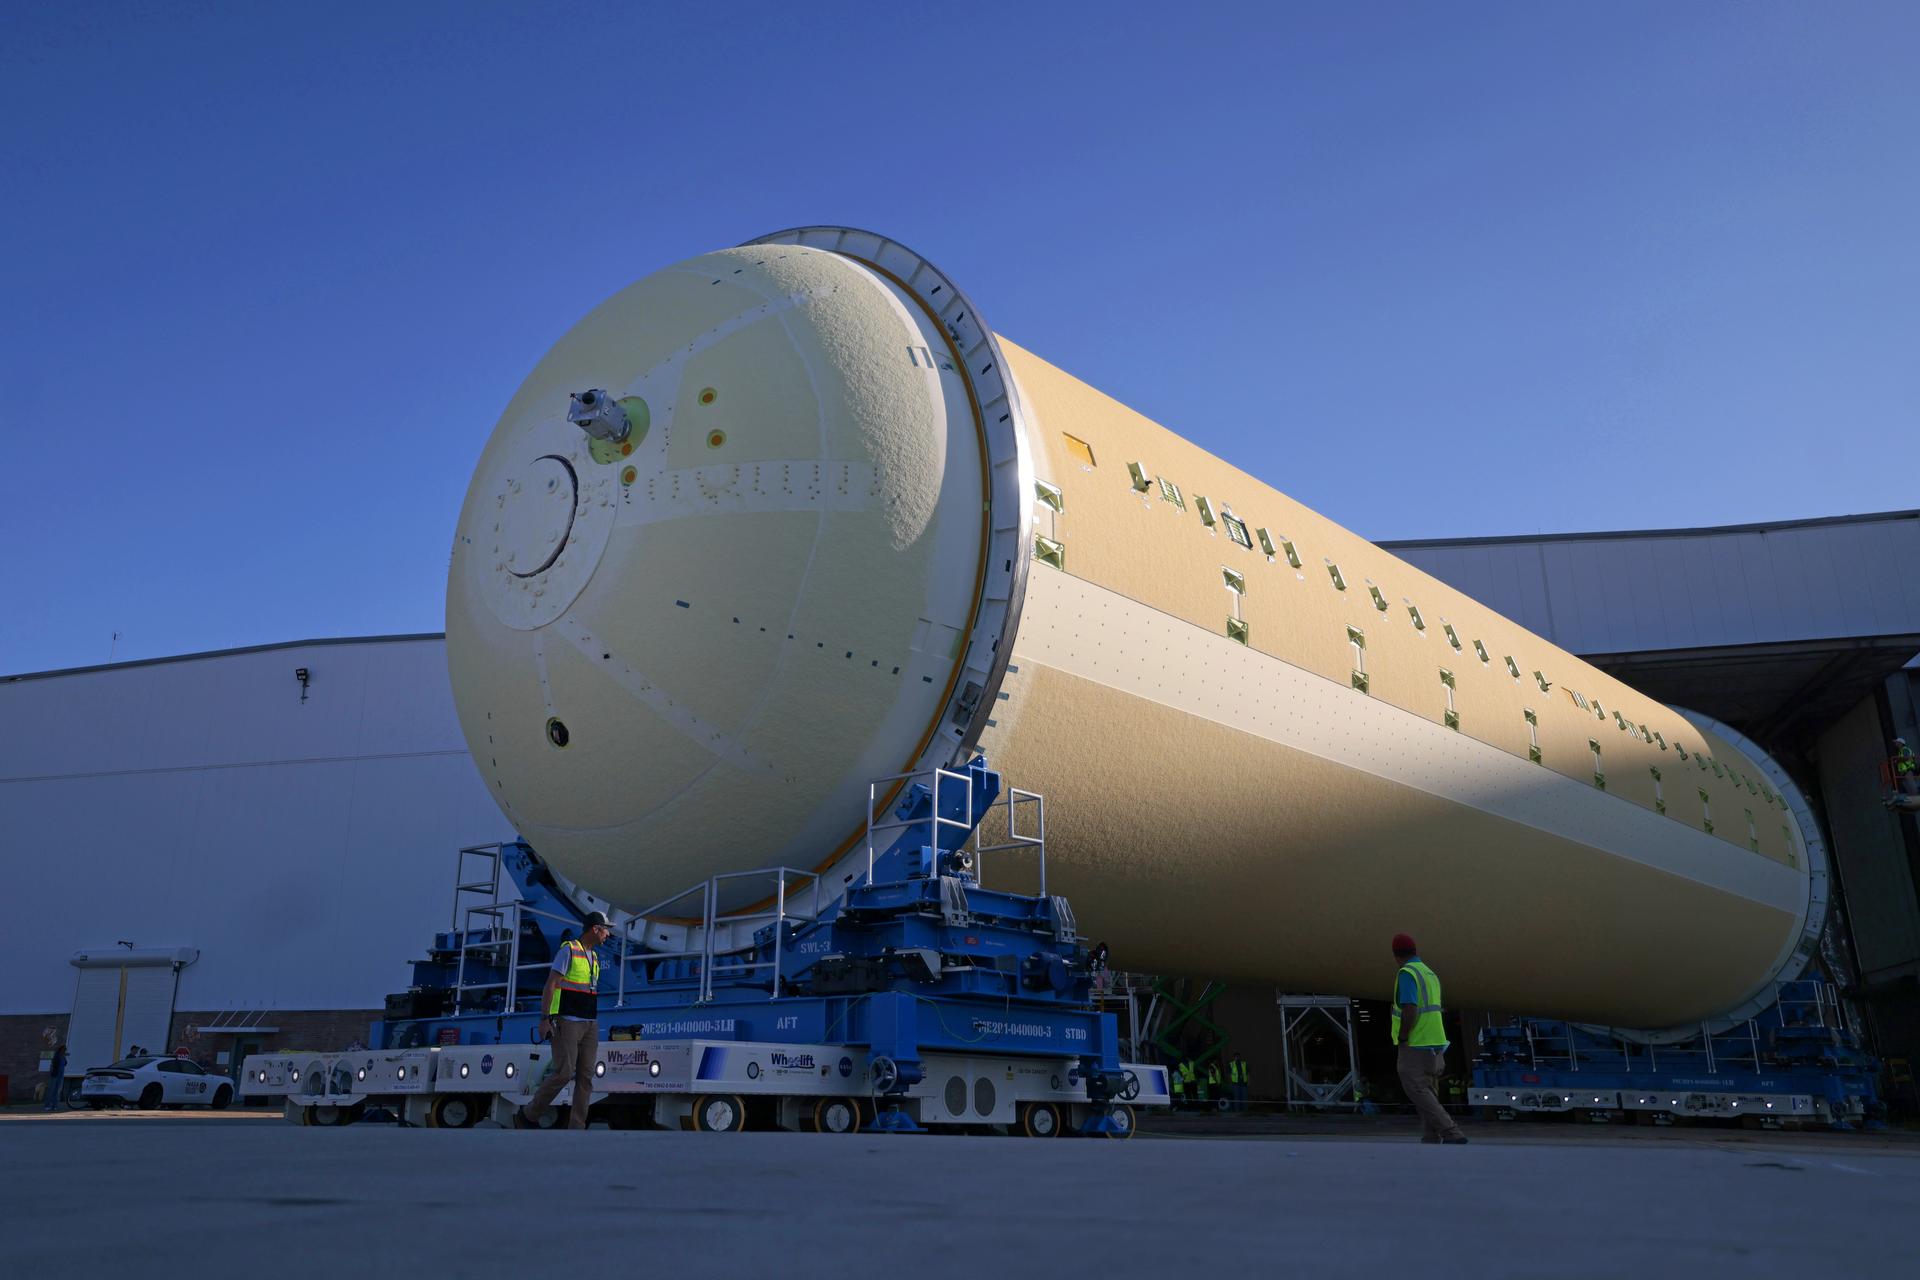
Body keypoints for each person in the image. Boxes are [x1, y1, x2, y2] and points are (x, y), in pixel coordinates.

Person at [519, 911, 614, 1130]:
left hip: (590, 1023)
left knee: (586, 1077)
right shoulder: (568, 950)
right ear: (595, 929)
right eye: (606, 929)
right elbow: (551, 985)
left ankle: (576, 1127)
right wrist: (545, 1019)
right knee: (563, 1072)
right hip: (567, 1022)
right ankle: (528, 1115)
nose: (608, 934)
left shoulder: (595, 956)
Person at [1391, 932, 1467, 1144]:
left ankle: (1451, 1131)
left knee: (1416, 1089)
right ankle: (1430, 1134)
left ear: (1396, 956)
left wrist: (1403, 1036)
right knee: (1428, 1090)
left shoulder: (1407, 973)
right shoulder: (1429, 973)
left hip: (1416, 1041)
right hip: (1436, 1042)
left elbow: (1410, 1008)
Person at [43, 1042, 67, 1112]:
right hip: (55, 1075)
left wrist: (64, 1057)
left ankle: (55, 1105)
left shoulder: (63, 1057)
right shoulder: (56, 1056)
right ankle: (47, 1105)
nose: (64, 1051)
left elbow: (65, 1063)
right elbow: (54, 1065)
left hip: (60, 1075)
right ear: (60, 1050)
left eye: (65, 1050)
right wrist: (52, 1071)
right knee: (51, 1090)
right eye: (64, 1050)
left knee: (57, 1091)